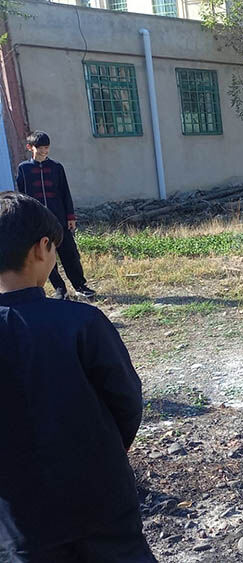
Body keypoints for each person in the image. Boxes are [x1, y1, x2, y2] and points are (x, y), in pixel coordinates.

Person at [0, 192, 152, 562]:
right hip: (101, 503)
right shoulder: (82, 323)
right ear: (42, 248)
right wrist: (109, 451)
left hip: (21, 522)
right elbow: (126, 400)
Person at [15, 131, 96, 300]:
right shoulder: (24, 169)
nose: (44, 151)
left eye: (47, 148)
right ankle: (60, 289)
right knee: (46, 257)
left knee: (70, 253)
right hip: (38, 222)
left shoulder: (57, 167)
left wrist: (70, 217)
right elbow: (23, 197)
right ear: (31, 148)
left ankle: (80, 286)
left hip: (59, 219)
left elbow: (65, 193)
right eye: (40, 148)